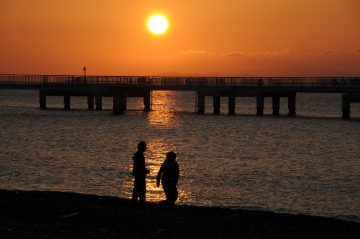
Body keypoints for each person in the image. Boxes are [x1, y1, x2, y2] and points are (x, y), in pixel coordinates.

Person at [131, 141, 150, 207]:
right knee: (141, 190)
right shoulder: (140, 156)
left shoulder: (137, 155)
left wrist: (145, 170)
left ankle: (135, 202)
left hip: (138, 175)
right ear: (141, 147)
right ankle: (140, 203)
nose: (146, 148)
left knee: (136, 189)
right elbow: (140, 166)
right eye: (145, 147)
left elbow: (139, 166)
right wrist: (145, 171)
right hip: (140, 175)